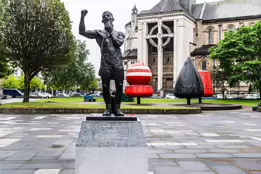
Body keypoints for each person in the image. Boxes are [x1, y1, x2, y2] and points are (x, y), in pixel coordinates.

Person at [79, 9, 125, 116]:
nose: (107, 16)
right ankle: (108, 107)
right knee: (105, 86)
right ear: (102, 20)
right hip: (105, 63)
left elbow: (119, 43)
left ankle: (117, 108)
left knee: (119, 86)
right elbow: (82, 32)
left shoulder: (120, 33)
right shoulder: (99, 33)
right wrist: (82, 17)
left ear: (113, 18)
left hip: (117, 63)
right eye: (105, 15)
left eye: (109, 15)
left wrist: (110, 32)